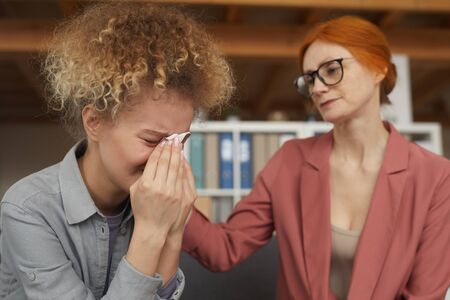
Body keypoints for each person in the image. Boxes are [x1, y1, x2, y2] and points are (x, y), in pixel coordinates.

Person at [182, 16, 450, 300]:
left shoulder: (437, 177)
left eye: (332, 70)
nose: (318, 88)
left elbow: (424, 296)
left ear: (378, 68)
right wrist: (175, 200)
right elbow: (224, 248)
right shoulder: (290, 161)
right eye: (309, 79)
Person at [0, 2, 233, 300]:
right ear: (94, 122)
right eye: (152, 140)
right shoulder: (27, 210)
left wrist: (173, 232)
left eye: (179, 142)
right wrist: (151, 230)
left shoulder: (153, 203)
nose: (168, 160)